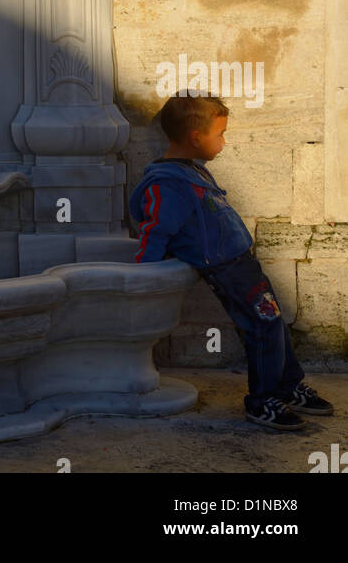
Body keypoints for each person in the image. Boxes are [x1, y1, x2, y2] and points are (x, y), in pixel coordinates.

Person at [129, 92, 334, 431]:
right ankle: (262, 401)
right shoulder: (168, 185)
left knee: (273, 323)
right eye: (220, 134)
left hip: (242, 264)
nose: (224, 143)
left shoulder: (192, 172)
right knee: (262, 326)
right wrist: (144, 281)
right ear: (196, 138)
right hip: (226, 270)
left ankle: (288, 385)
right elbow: (155, 232)